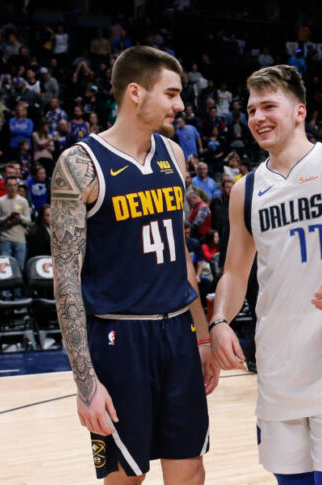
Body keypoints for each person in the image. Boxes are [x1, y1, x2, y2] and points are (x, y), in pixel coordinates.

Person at [210, 64, 322, 484]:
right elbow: (235, 273)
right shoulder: (246, 190)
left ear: (299, 112)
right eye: (251, 109)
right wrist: (220, 320)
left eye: (269, 106)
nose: (257, 117)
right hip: (277, 372)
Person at [50, 46, 219, 484]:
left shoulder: (174, 155)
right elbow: (65, 279)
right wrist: (85, 383)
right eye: (172, 93)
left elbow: (180, 253)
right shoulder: (80, 164)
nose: (181, 105)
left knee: (191, 470)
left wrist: (201, 337)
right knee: (127, 476)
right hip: (119, 336)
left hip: (178, 332)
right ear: (135, 93)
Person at [0, 177, 31, 270]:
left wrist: (20, 217)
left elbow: (28, 221)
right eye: (10, 185)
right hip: (4, 239)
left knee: (19, 268)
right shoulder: (0, 201)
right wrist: (6, 218)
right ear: (5, 186)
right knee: (5, 269)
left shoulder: (23, 201)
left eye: (15, 185)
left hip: (20, 239)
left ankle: (19, 285)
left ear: (17, 186)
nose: (12, 187)